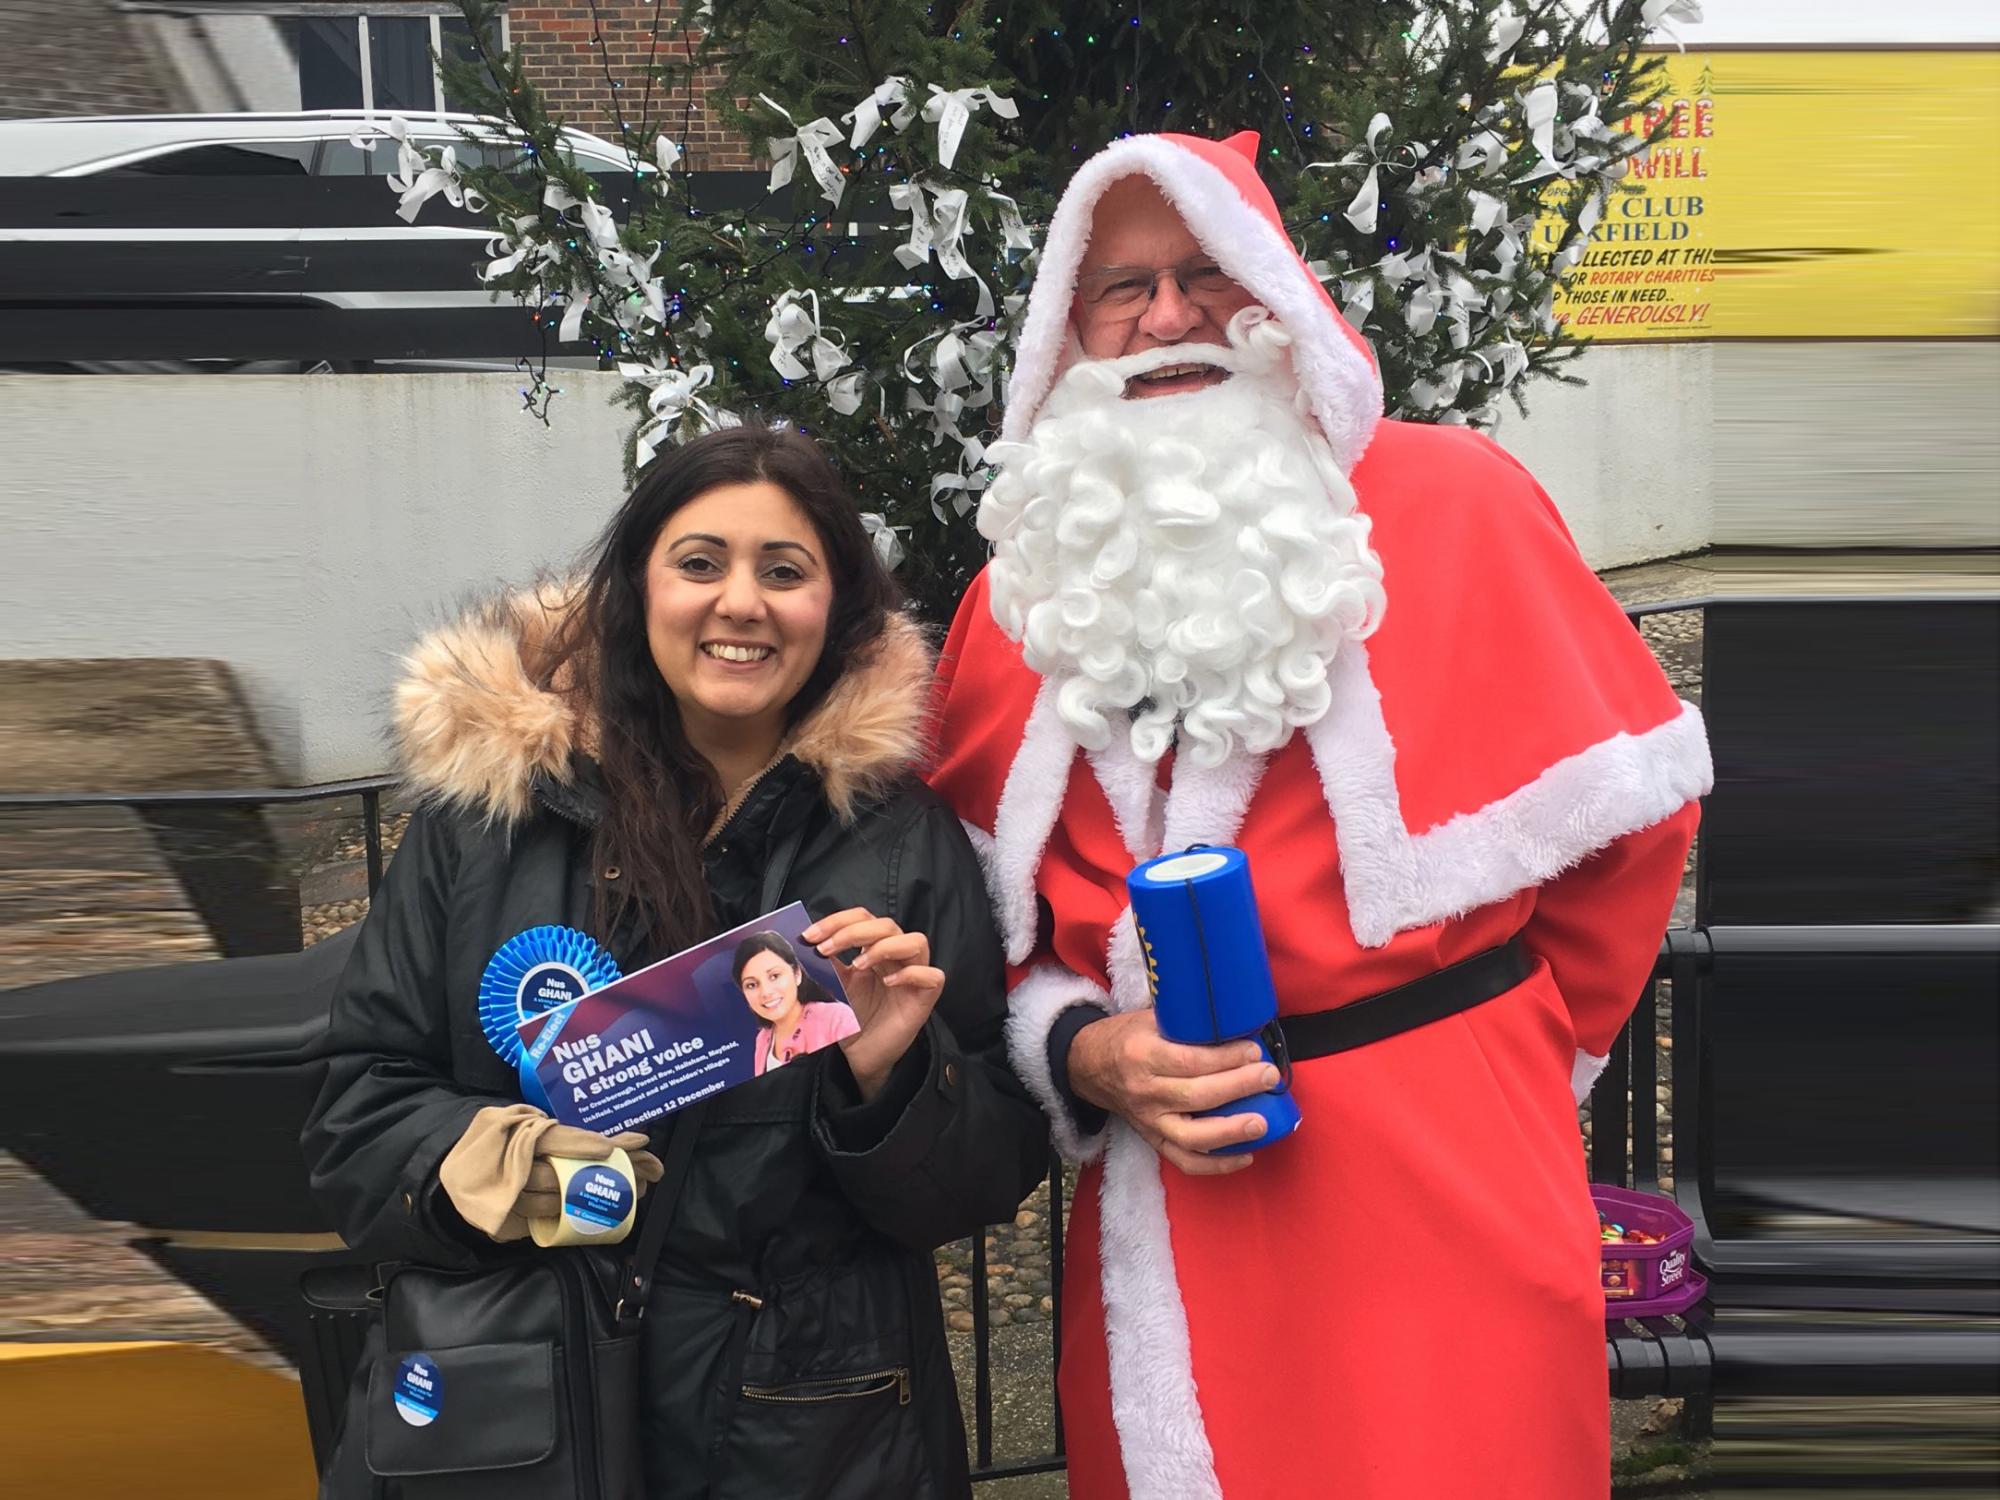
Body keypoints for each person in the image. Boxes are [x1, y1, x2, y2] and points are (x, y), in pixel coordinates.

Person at [927, 132, 1711, 1500]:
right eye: (1123, 287)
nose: (1169, 317)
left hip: (1446, 1185)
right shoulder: (1020, 595)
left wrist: (1500, 1068)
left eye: (1205, 275)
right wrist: (1085, 1051)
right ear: (1068, 324)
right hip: (1168, 1204)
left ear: (1279, 293)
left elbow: (1629, 840)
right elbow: (974, 916)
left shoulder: (1460, 503)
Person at [304, 424, 1048, 1499]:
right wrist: (527, 1169)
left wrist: (893, 1081)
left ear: (832, 609)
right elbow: (357, 1119)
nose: (739, 602)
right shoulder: (489, 822)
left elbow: (978, 1180)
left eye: (783, 571)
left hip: (811, 1434)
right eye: (699, 562)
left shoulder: (900, 845)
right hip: (520, 1415)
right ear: (634, 589)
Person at [732, 928, 861, 1074]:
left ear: (797, 974)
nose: (766, 992)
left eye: (774, 976)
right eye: (751, 985)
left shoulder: (836, 1017)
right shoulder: (763, 1038)